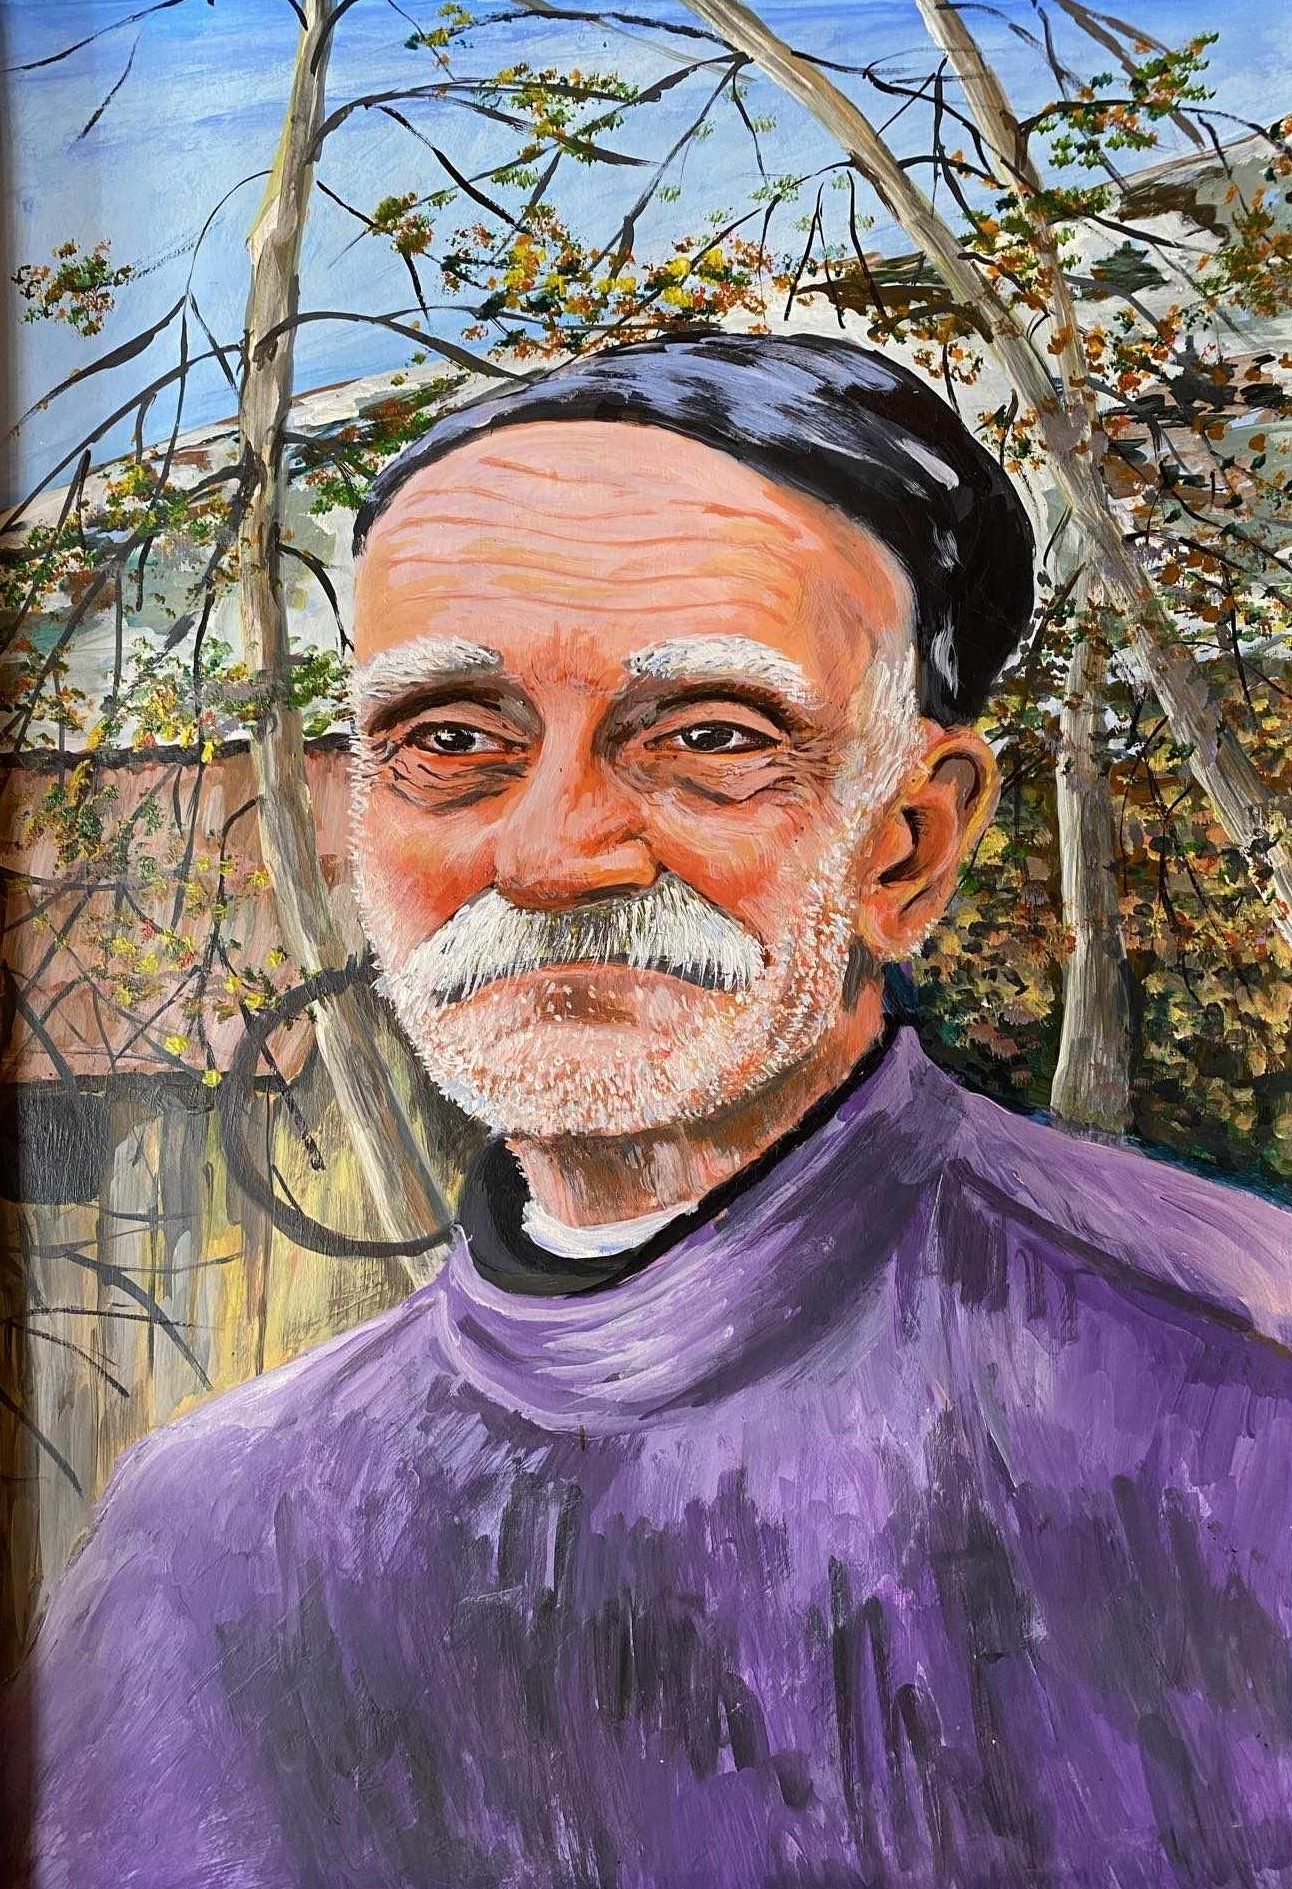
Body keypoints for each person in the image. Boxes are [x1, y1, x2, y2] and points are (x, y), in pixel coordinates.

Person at [8, 334, 1292, 1889]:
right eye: (453, 740)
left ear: (908, 843)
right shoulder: (208, 1536)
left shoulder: (1235, 1391)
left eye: (710, 737)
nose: (553, 854)